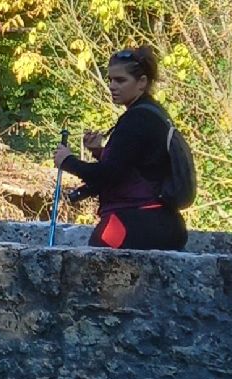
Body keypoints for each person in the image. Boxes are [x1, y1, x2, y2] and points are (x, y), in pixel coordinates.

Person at [54, 46, 188, 250]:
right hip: (162, 223)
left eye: (120, 80)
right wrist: (99, 152)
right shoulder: (154, 114)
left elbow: (108, 175)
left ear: (142, 82)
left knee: (86, 274)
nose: (112, 86)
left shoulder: (137, 119)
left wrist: (67, 161)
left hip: (132, 222)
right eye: (110, 80)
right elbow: (136, 167)